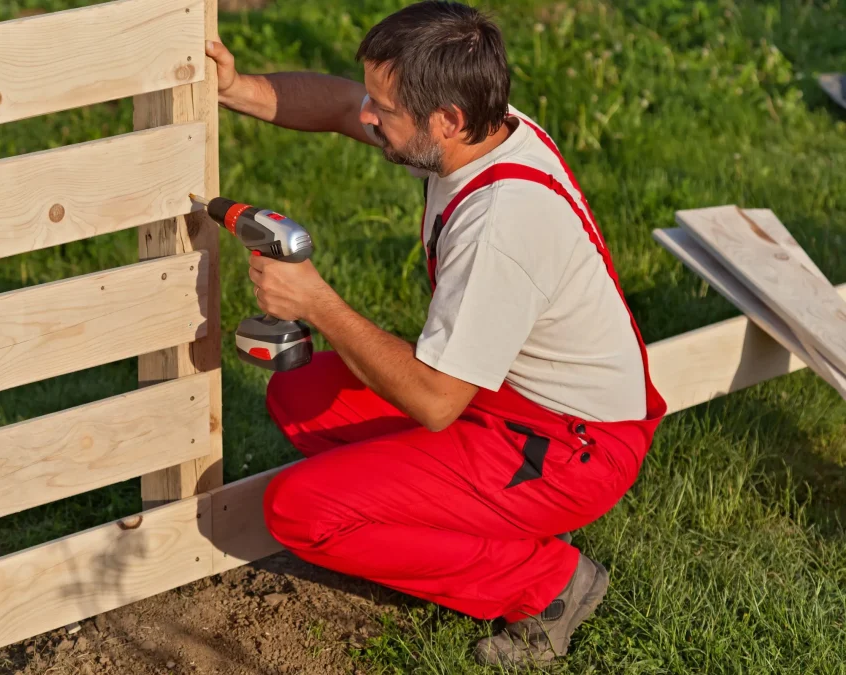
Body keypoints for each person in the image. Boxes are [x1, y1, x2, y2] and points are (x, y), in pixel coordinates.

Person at [206, 0, 666, 665]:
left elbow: (434, 401)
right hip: (509, 398)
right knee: (302, 396)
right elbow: (339, 106)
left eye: (383, 110)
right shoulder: (480, 128)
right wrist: (237, 89)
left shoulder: (501, 226)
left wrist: (319, 303)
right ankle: (442, 517)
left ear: (446, 120)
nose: (366, 115)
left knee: (300, 510)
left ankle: (547, 583)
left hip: (567, 447)